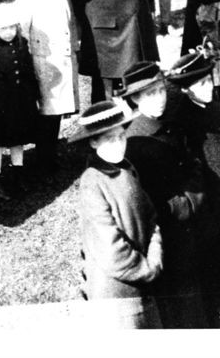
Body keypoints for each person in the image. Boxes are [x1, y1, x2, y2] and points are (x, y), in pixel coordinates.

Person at [163, 50, 220, 328]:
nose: (210, 87)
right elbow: (212, 161)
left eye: (209, 81)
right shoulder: (189, 118)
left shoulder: (211, 105)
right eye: (201, 84)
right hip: (214, 203)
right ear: (187, 89)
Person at [118, 62, 207, 329]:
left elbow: (193, 163)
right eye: (149, 94)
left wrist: (193, 196)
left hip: (189, 226)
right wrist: (182, 206)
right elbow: (141, 201)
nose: (159, 99)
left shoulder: (169, 123)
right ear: (134, 98)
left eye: (160, 91)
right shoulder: (134, 142)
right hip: (166, 235)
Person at [69, 99, 163, 329]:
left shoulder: (127, 168)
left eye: (121, 136)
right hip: (118, 296)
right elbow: (111, 250)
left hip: (143, 284)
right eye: (110, 139)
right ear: (93, 142)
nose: (119, 144)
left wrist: (155, 254)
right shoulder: (93, 182)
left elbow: (151, 219)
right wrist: (148, 269)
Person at [14, 0, 83, 171]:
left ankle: (50, 154)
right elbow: (22, 33)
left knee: (56, 113)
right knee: (45, 112)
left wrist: (74, 46)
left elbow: (71, 23)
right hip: (43, 61)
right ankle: (43, 160)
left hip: (63, 57)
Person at [0, 1, 39, 200]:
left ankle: (18, 173)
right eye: (4, 28)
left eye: (13, 27)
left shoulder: (21, 44)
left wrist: (34, 97)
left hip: (20, 101)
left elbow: (29, 72)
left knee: (17, 140)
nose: (10, 32)